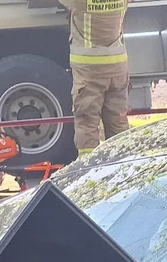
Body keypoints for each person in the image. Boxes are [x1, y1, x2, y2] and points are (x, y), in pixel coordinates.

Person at [60, 0, 130, 155]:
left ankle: (88, 168)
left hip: (90, 70)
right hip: (118, 66)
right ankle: (122, 164)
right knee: (118, 121)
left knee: (87, 123)